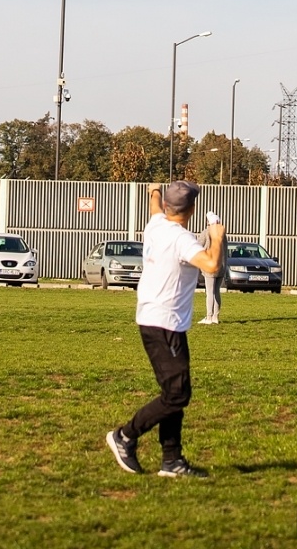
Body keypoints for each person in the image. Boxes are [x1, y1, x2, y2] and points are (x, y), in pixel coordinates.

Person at [106, 180, 225, 478]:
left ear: (169, 206)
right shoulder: (182, 240)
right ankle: (125, 436)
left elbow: (154, 206)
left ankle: (172, 460)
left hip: (155, 320)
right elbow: (211, 266)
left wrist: (154, 191)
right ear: (192, 210)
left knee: (173, 392)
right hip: (165, 324)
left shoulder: (156, 225)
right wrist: (217, 236)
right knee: (177, 395)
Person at [198, 210, 228, 325]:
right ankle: (216, 317)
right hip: (221, 266)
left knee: (209, 292)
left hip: (210, 265)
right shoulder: (222, 234)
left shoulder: (206, 232)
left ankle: (209, 317)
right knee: (217, 291)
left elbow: (198, 246)